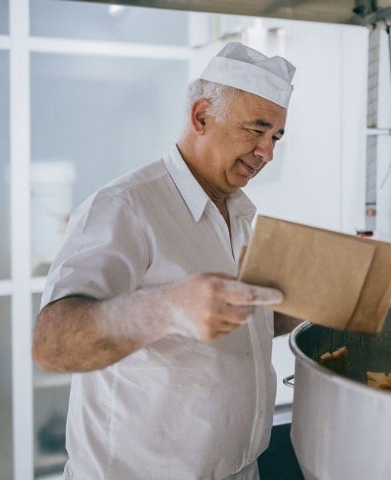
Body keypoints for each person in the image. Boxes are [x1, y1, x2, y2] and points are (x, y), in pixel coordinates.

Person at [32, 42, 302, 480]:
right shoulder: (124, 207)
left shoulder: (238, 214)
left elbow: (220, 327)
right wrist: (168, 308)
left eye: (275, 137)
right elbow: (53, 345)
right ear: (201, 117)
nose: (266, 153)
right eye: (255, 130)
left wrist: (293, 311)